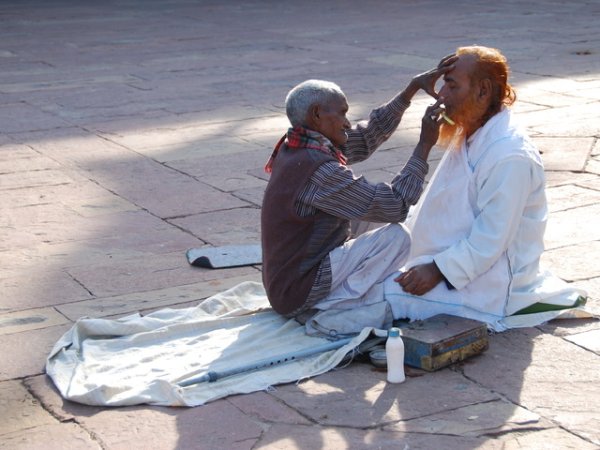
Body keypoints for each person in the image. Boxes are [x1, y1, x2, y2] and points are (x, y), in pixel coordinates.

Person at [386, 45, 587, 331]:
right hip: (443, 260)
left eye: (451, 85)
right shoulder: (474, 130)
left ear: (482, 91)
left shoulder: (510, 155)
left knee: (379, 297)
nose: (441, 96)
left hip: (489, 284)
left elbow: (490, 239)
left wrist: (438, 269)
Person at [261, 55, 456, 335]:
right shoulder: (318, 169)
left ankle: (339, 293)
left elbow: (365, 138)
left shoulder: (302, 144)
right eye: (341, 113)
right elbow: (396, 205)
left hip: (290, 278)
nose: (347, 123)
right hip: (297, 294)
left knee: (373, 217)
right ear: (317, 114)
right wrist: (425, 145)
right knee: (397, 235)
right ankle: (331, 307)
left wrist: (410, 90)